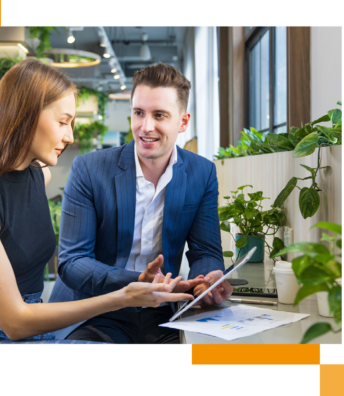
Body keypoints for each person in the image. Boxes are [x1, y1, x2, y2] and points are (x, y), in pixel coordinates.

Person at [0, 59, 194, 345]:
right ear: (25, 115)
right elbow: (15, 322)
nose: (69, 136)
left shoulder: (39, 175)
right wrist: (121, 298)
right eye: (63, 122)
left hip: (33, 327)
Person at [50, 62, 233, 345]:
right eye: (139, 113)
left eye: (159, 115)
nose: (146, 127)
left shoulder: (202, 173)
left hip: (162, 312)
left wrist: (206, 281)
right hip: (95, 310)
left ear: (183, 122)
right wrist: (136, 281)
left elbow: (205, 250)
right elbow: (72, 263)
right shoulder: (89, 169)